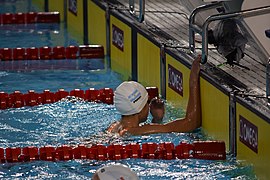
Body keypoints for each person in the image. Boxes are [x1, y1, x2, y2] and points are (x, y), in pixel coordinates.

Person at [107, 55, 201, 136]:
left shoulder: (115, 127)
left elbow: (153, 131)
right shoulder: (135, 131)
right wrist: (193, 80)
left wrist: (156, 119)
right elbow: (191, 123)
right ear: (140, 108)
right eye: (147, 102)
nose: (149, 106)